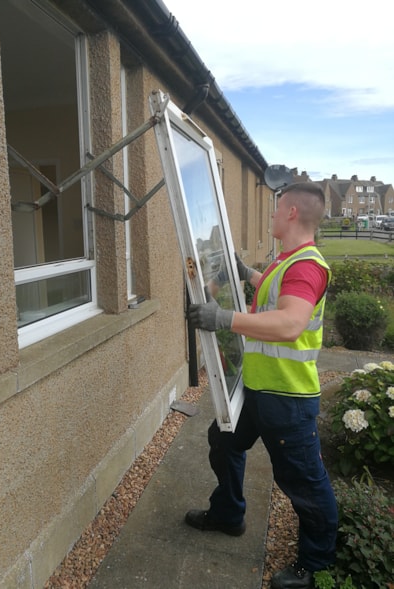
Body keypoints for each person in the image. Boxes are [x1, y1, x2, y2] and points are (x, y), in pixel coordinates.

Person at [186, 182, 338, 589]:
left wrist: (224, 319)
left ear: (291, 213)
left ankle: (315, 565)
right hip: (256, 391)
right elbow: (272, 295)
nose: (270, 215)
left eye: (275, 209)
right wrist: (246, 273)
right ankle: (228, 515)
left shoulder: (307, 265)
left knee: (304, 484)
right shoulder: (284, 262)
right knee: (223, 441)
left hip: (287, 400)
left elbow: (290, 323)